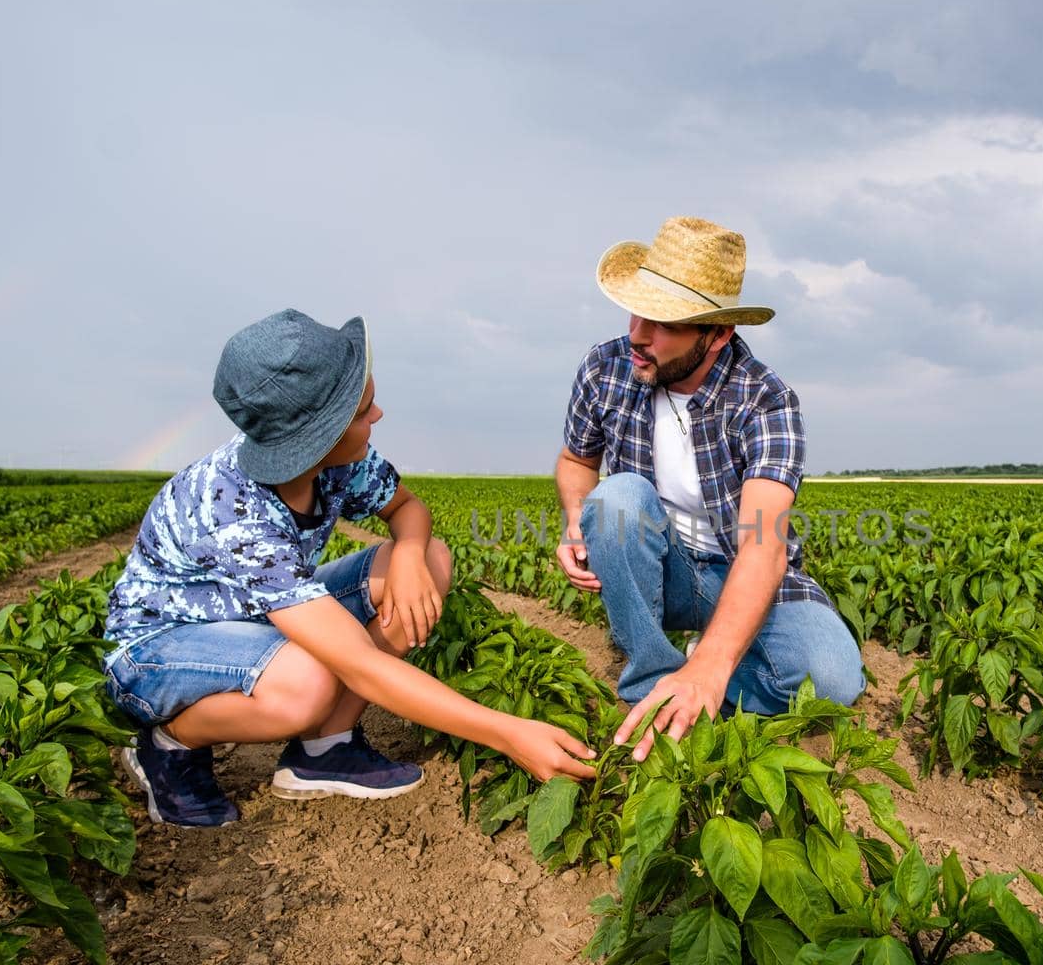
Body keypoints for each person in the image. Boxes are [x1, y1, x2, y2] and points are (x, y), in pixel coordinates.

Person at [105, 308, 595, 827]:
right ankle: (169, 747)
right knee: (309, 682)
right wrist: (508, 732)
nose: (377, 415)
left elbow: (409, 510)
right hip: (161, 650)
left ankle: (324, 749)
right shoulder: (231, 507)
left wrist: (407, 555)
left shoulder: (344, 461)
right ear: (318, 437)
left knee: (431, 558)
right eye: (363, 410)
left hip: (256, 616)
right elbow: (359, 663)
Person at [554, 217, 865, 762]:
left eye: (664, 323)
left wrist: (709, 666)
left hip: (738, 571)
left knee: (834, 679)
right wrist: (575, 519)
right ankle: (650, 692)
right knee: (617, 499)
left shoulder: (765, 401)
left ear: (717, 334)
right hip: (661, 566)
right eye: (636, 312)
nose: (638, 335)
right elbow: (576, 460)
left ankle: (699, 674)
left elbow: (763, 545)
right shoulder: (606, 368)